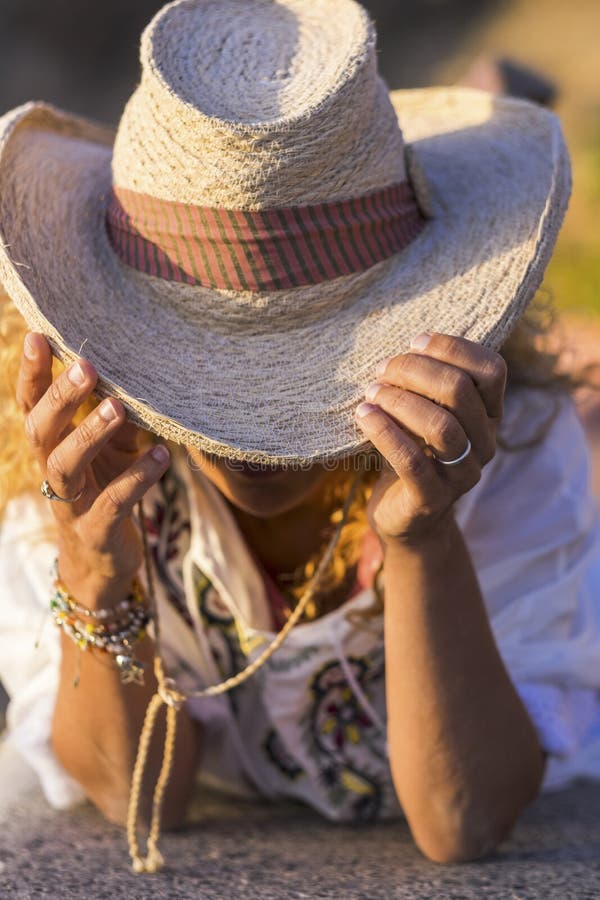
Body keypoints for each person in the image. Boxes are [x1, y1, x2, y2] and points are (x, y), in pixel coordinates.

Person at [0, 0, 599, 875]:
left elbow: (461, 821)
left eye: (294, 372)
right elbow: (141, 799)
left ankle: (489, 88)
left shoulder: (506, 449)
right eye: (205, 383)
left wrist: (423, 541)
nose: (249, 443)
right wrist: (93, 573)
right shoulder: (70, 451)